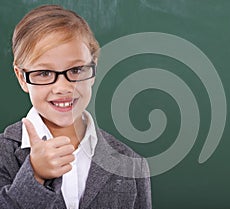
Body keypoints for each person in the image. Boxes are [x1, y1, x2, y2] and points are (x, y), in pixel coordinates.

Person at [0, 4, 151, 209]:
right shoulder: (4, 153)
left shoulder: (131, 164)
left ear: (94, 67)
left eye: (77, 69)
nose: (63, 87)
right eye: (44, 73)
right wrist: (34, 175)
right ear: (22, 78)